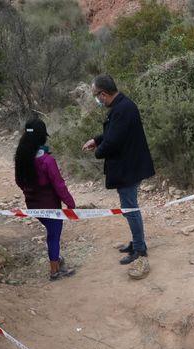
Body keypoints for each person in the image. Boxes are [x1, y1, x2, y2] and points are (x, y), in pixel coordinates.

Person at [82, 75, 155, 265]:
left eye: (96, 96)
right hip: (128, 166)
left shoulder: (122, 109)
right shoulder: (122, 106)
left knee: (130, 209)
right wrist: (97, 140)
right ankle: (137, 242)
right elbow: (112, 132)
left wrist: (98, 152)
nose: (97, 100)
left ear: (104, 94)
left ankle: (139, 248)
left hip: (128, 168)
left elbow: (113, 141)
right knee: (129, 208)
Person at [15, 118, 77, 280]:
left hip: (33, 205)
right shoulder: (47, 160)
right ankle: (55, 270)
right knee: (53, 236)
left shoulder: (22, 157)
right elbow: (59, 185)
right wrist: (70, 204)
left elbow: (19, 181)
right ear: (42, 136)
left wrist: (30, 192)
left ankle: (56, 260)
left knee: (51, 234)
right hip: (51, 207)